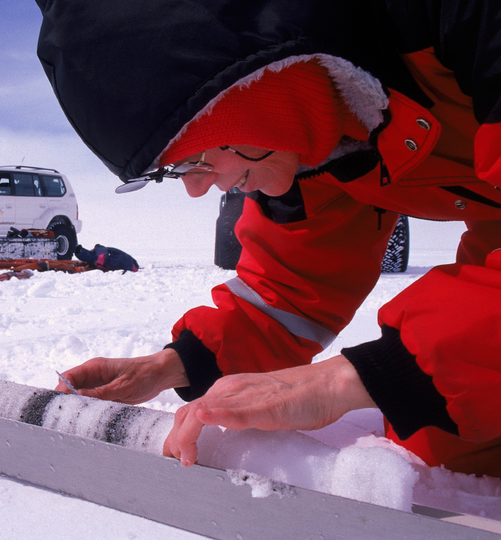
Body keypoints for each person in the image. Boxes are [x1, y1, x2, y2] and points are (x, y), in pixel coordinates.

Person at [37, 0, 501, 478]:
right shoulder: (305, 141)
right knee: (448, 430)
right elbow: (288, 292)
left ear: (239, 90)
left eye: (194, 156)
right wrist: (175, 365)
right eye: (173, 173)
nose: (196, 189)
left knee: (445, 385)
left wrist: (342, 382)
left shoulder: (464, 20)